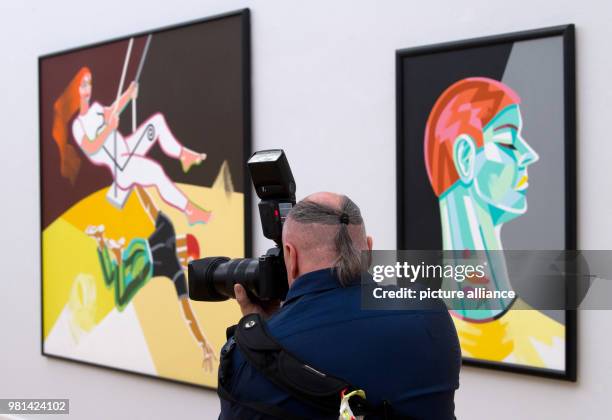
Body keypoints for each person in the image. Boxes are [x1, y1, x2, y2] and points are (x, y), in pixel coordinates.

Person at [219, 192, 461, 419]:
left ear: (290, 256)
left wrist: (264, 336)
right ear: (368, 250)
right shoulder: (430, 313)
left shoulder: (247, 356)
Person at [52, 67, 211, 225]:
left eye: (89, 83)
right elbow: (91, 148)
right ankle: (190, 212)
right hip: (121, 166)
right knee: (156, 172)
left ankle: (183, 155)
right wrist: (109, 129)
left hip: (127, 148)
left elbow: (113, 110)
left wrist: (128, 94)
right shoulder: (78, 125)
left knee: (157, 123)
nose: (87, 88)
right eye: (83, 84)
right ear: (76, 90)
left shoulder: (96, 109)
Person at [85, 187, 217, 371]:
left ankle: (104, 245)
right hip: (142, 266)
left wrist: (135, 183)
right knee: (121, 300)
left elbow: (148, 206)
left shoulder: (170, 239)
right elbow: (188, 315)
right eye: (186, 258)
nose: (184, 261)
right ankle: (116, 252)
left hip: (135, 251)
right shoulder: (176, 269)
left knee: (110, 280)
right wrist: (136, 183)